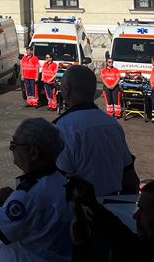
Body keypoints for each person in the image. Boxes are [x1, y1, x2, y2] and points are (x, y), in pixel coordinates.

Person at [0, 118, 72, 262]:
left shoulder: (27, 196)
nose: (11, 149)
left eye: (14, 144)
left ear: (33, 152)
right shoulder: (64, 181)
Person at [55, 65, 139, 197]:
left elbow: (58, 179)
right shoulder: (112, 124)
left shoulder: (62, 127)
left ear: (66, 90)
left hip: (79, 208)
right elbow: (129, 176)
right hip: (113, 205)